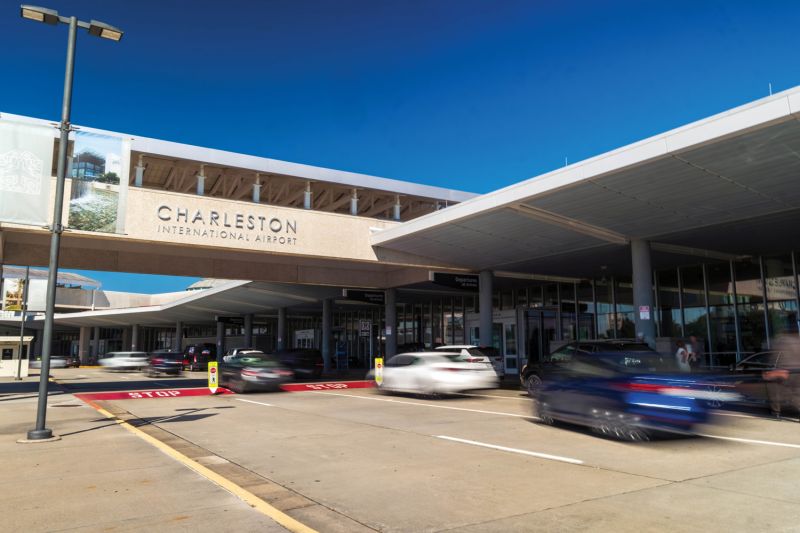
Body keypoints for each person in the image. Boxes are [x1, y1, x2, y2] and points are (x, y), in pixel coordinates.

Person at [764, 333, 800, 421]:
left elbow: (777, 357)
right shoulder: (797, 341)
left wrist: (775, 371)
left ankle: (776, 412)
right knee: (796, 392)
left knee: (774, 390)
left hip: (785, 369)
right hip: (797, 370)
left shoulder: (782, 342)